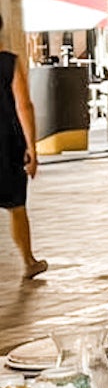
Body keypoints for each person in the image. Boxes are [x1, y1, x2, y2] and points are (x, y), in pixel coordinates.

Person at [0, 16, 44, 279]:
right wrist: (32, 147)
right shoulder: (9, 63)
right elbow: (23, 105)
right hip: (7, 145)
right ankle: (29, 261)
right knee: (17, 206)